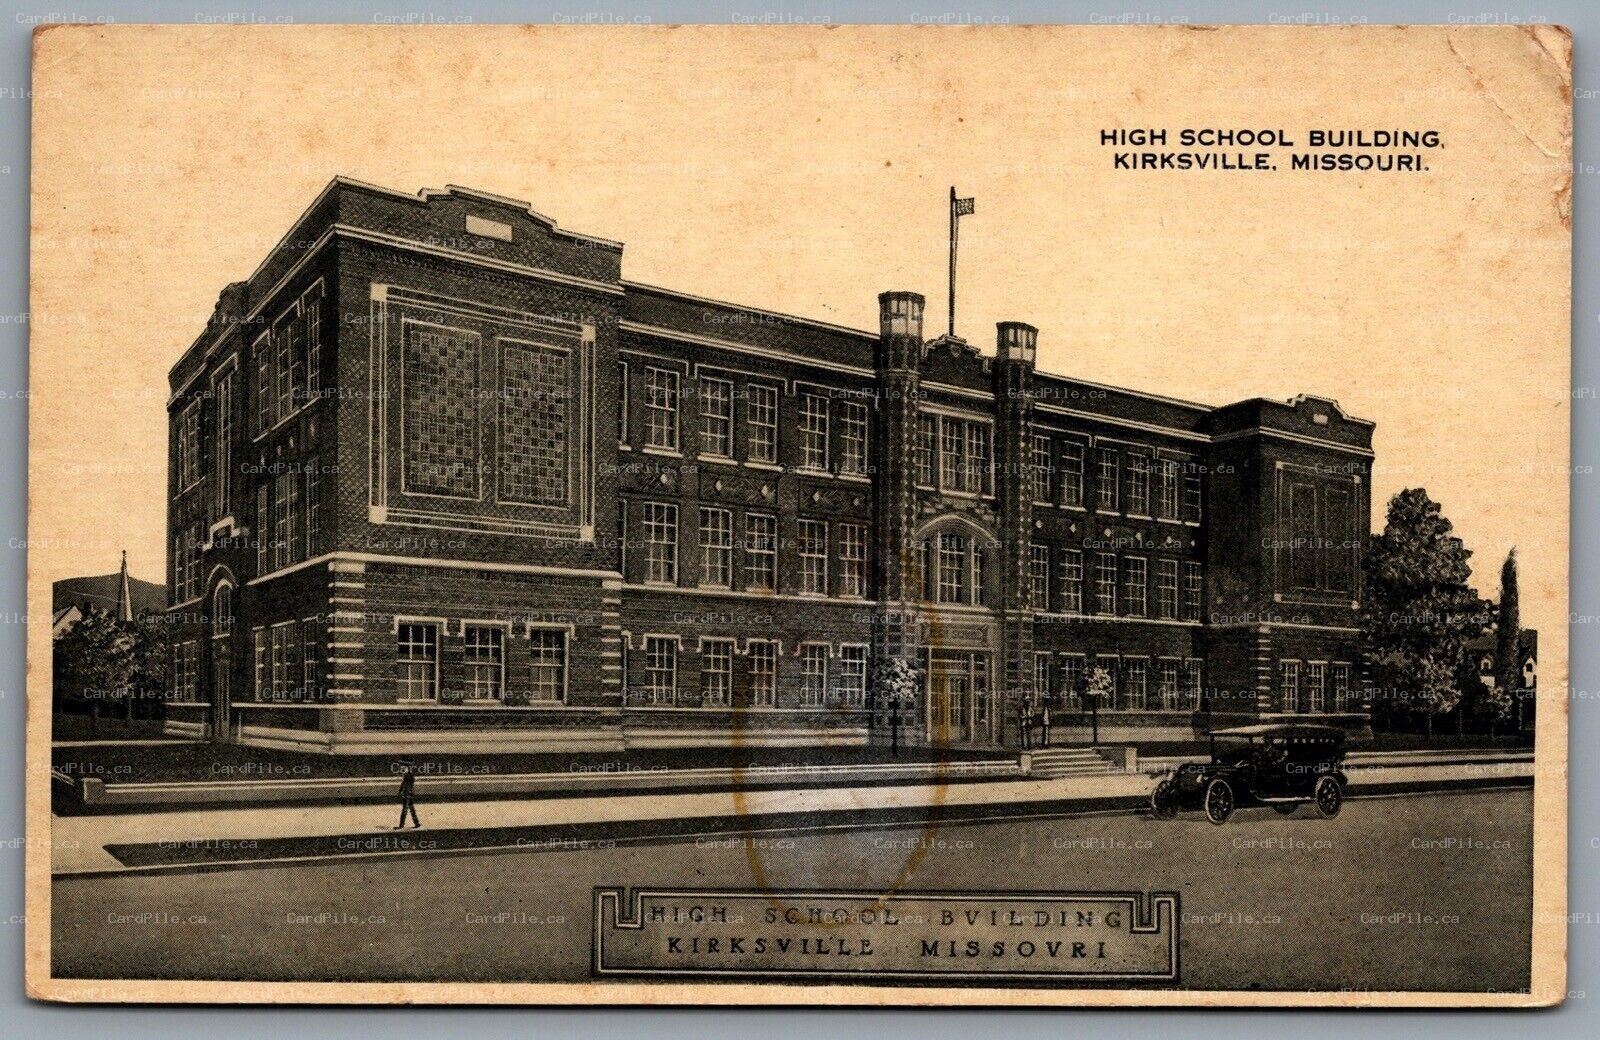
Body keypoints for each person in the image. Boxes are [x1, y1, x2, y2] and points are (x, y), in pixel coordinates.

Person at [395, 760, 421, 829]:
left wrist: (406, 793)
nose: (401, 770)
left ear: (408, 768)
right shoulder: (407, 775)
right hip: (408, 794)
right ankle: (417, 823)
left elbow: (408, 785)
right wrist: (400, 791)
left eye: (403, 768)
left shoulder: (409, 776)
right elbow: (403, 784)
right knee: (411, 809)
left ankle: (401, 825)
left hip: (407, 795)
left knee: (405, 810)